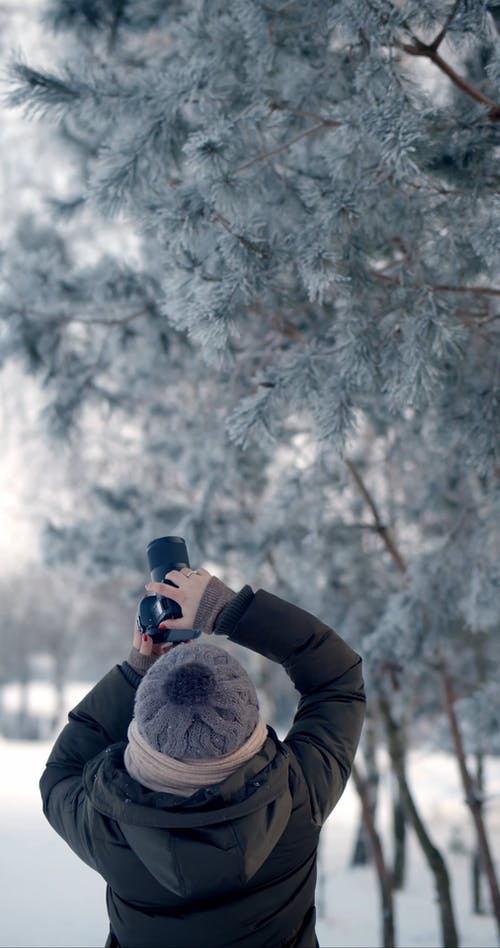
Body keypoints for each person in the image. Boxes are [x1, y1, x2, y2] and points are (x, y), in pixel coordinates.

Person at [40, 565, 366, 948]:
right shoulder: (297, 796)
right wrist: (228, 609)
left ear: (145, 736)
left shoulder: (107, 825)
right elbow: (337, 679)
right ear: (247, 727)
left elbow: (62, 772)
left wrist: (136, 670)